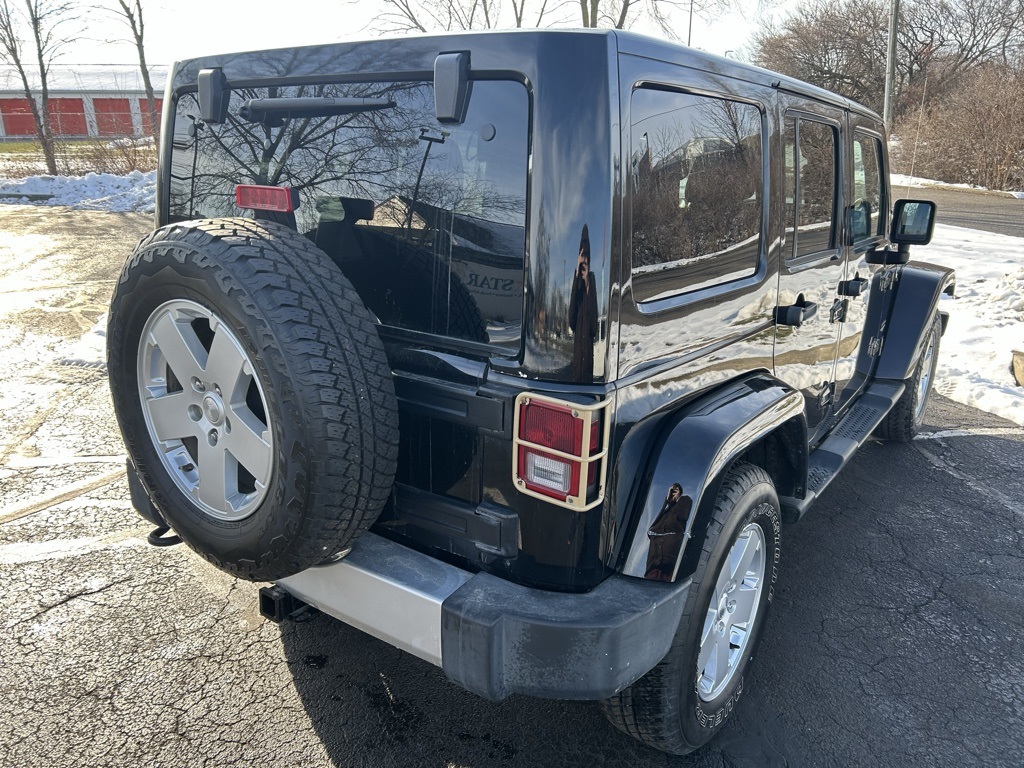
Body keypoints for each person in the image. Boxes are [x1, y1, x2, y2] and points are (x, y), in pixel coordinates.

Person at [568, 224, 598, 382]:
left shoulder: (592, 281)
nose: (584, 262)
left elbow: (594, 324)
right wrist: (576, 273)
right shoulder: (576, 285)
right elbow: (571, 319)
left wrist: (587, 282)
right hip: (577, 350)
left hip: (589, 352)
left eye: (586, 258)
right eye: (581, 258)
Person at [645, 483, 692, 581]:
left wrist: (677, 498)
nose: (673, 493)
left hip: (661, 568)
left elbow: (686, 504)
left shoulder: (683, 505)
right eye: (673, 492)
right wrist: (667, 501)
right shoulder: (666, 512)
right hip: (657, 568)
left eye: (676, 491)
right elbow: (653, 526)